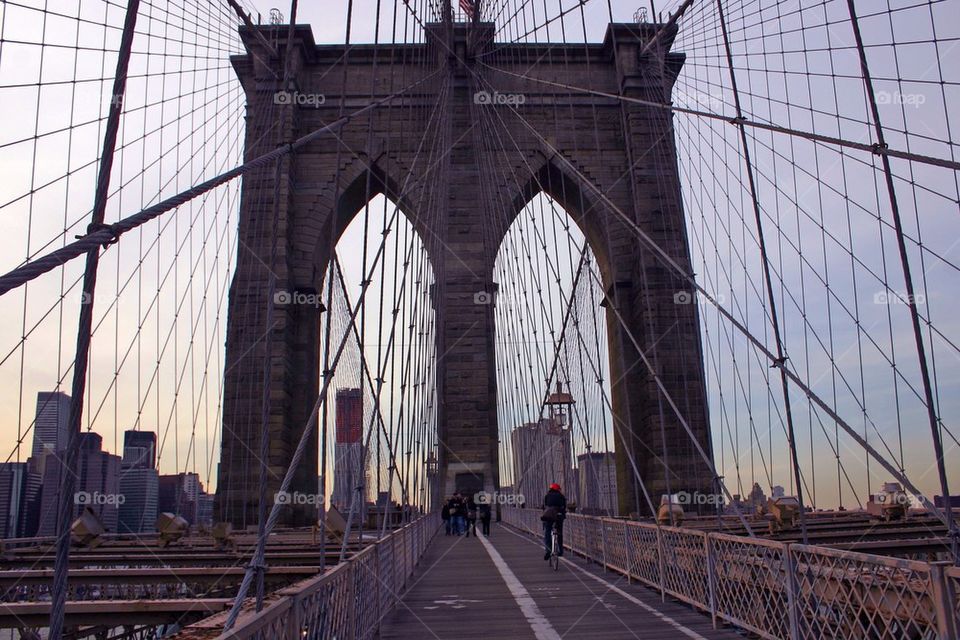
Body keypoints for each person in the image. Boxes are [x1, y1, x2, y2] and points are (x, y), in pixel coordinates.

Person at [541, 482, 567, 560]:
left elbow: (544, 506)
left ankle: (548, 550)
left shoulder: (547, 496)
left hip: (548, 516)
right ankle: (560, 551)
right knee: (559, 533)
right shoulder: (561, 496)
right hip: (558, 516)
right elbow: (564, 507)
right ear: (558, 489)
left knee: (547, 532)